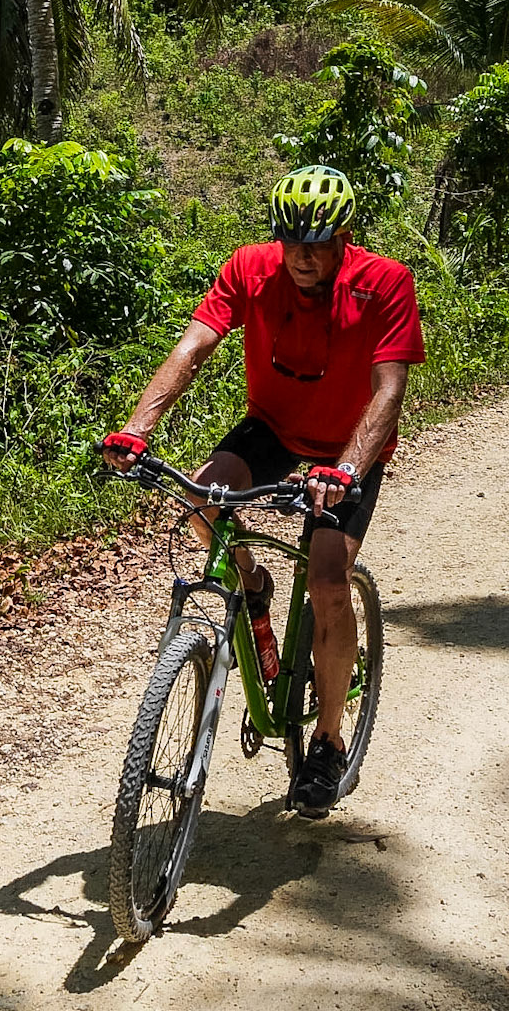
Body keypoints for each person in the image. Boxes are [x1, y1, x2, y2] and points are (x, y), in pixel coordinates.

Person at [102, 165, 423, 816]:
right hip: (273, 429)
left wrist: (343, 471)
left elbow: (387, 391)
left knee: (329, 580)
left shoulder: (384, 282)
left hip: (347, 449)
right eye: (291, 240)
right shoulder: (251, 269)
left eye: (317, 240)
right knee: (198, 496)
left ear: (343, 235)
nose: (302, 255)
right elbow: (191, 347)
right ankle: (251, 585)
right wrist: (136, 429)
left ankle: (328, 741)